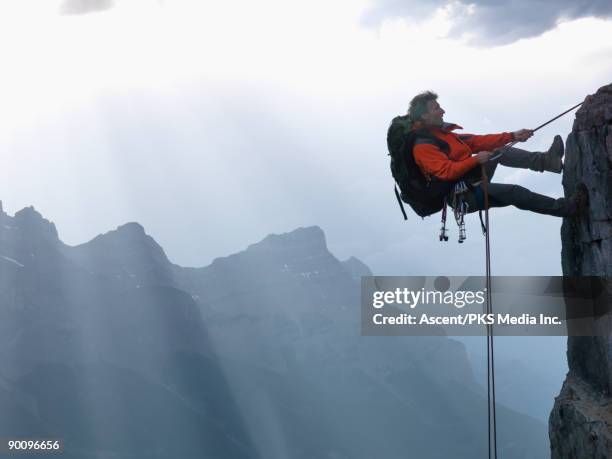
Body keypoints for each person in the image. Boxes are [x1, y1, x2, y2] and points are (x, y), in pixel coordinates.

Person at [408, 91, 588, 217]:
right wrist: (476, 160)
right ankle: (569, 209)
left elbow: (477, 142)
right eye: (436, 108)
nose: (442, 111)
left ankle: (549, 162)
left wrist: (512, 136)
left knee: (500, 152)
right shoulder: (423, 146)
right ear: (423, 116)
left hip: (470, 180)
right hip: (462, 195)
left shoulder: (443, 135)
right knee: (514, 193)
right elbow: (446, 172)